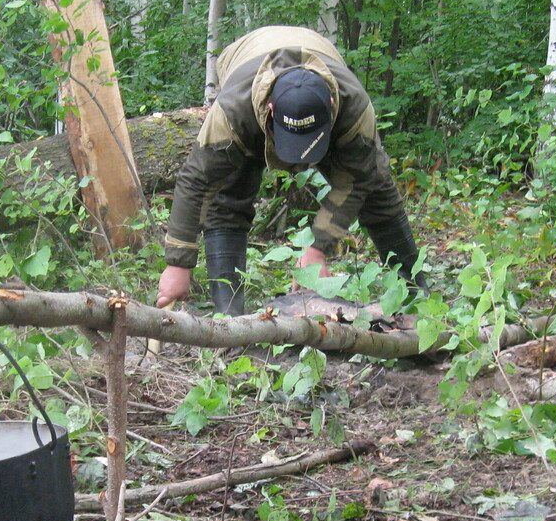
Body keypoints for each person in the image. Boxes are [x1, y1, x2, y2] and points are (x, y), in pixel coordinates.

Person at [156, 25, 428, 315]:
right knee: (228, 196)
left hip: (320, 51)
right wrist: (178, 263)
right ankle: (230, 319)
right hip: (244, 59)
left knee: (377, 187)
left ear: (332, 104)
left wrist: (318, 248)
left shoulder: (354, 107)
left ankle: (416, 297)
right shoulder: (233, 112)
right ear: (271, 109)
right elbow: (197, 180)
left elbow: (356, 179)